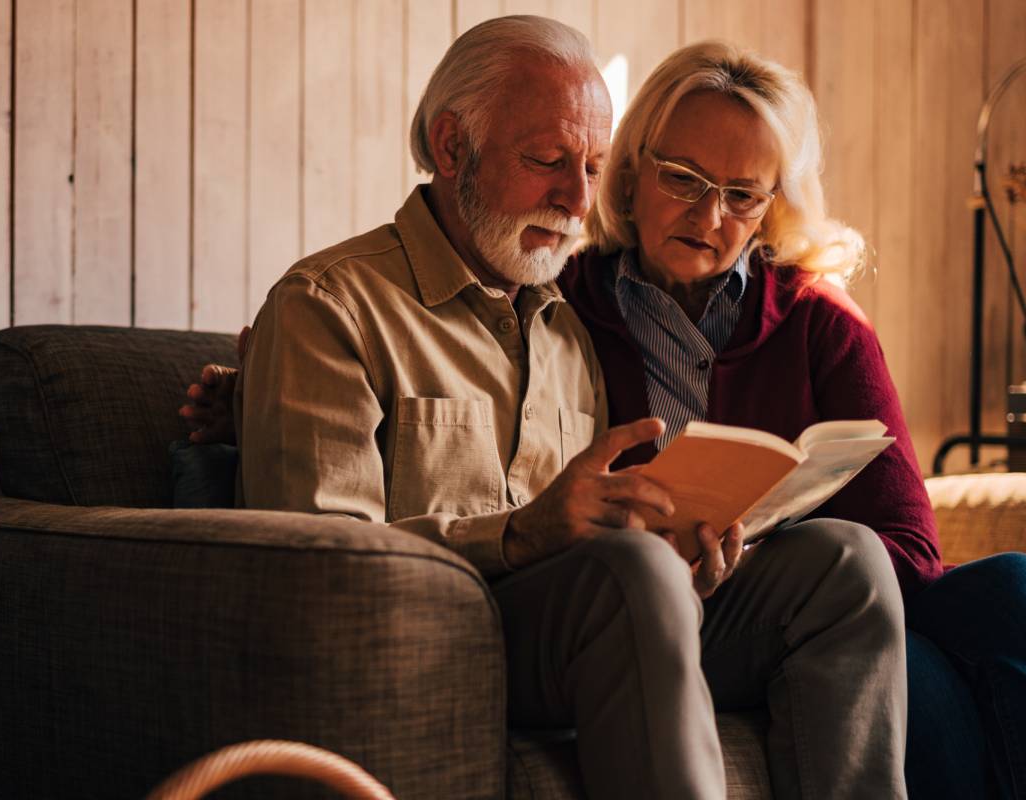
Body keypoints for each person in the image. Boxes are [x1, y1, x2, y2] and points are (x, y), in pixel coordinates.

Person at [221, 16, 907, 799]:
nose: (578, 197)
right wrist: (521, 535)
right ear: (452, 149)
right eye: (547, 160)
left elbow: (602, 549)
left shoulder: (569, 326)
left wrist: (690, 559)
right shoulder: (333, 308)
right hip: (430, 632)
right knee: (630, 572)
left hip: (582, 628)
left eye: (591, 165)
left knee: (845, 560)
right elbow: (316, 570)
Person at [557, 41, 1026, 800]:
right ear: (632, 172)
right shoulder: (564, 309)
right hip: (672, 618)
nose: (710, 216)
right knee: (914, 675)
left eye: (741, 195)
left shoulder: (818, 319)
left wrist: (777, 555)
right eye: (683, 180)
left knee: (1020, 590)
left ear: (772, 207)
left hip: (830, 603)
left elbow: (914, 547)